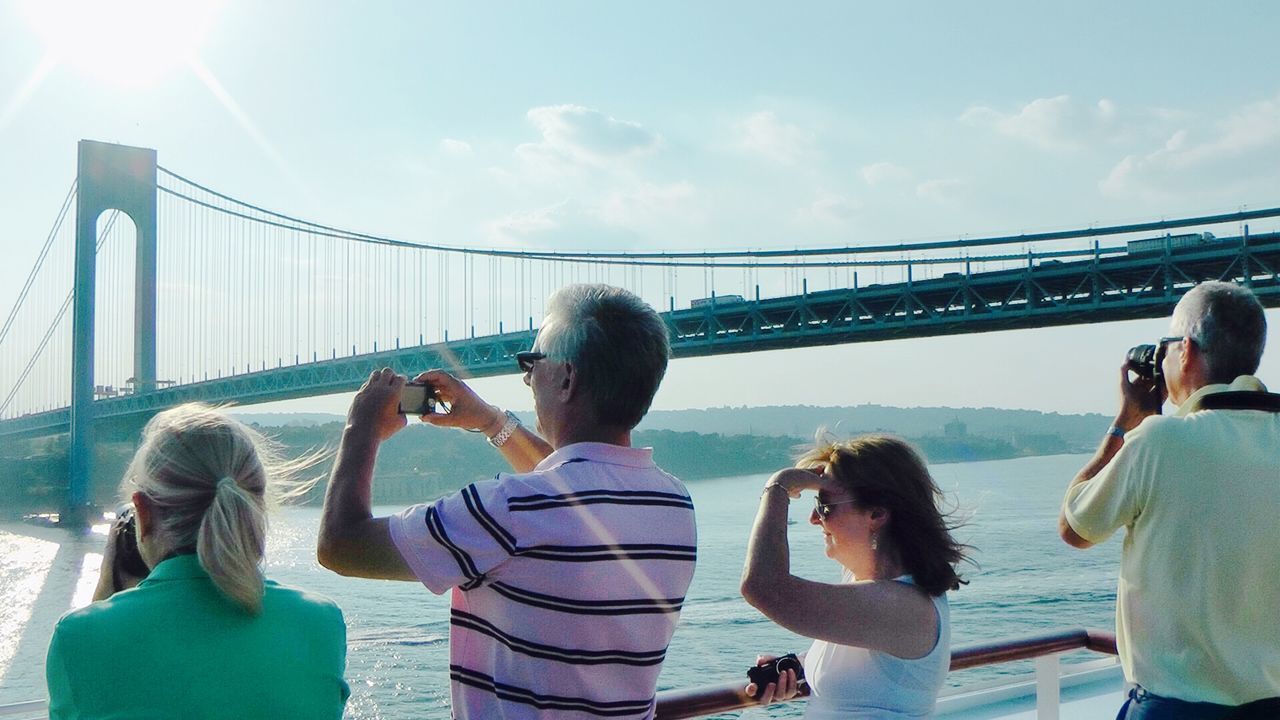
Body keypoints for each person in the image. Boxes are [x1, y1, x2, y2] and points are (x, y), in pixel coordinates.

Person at [317, 283, 697, 719]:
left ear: (567, 378)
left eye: (532, 362)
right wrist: (489, 420)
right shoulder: (673, 502)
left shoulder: (508, 510)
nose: (527, 376)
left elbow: (340, 545)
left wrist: (360, 427)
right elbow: (569, 486)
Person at [1058, 280, 1280, 719]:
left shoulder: (1160, 441)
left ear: (1186, 351)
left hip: (1174, 709)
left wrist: (1125, 423)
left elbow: (1075, 527)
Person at [45, 404, 350, 720]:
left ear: (143, 512)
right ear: (254, 509)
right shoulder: (320, 621)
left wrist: (104, 601)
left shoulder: (78, 637)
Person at [740, 435, 967, 718]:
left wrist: (777, 487)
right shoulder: (869, 590)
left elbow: (763, 586)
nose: (814, 518)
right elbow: (869, 669)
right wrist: (796, 667)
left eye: (825, 505)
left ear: (876, 513)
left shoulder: (904, 607)